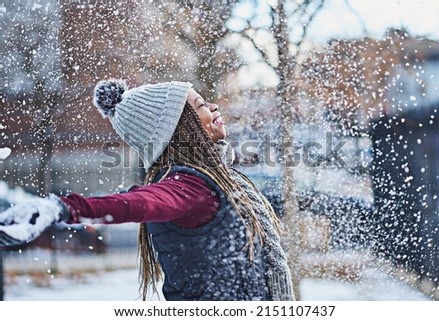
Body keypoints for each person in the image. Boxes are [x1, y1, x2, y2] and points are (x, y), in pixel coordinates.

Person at [0, 79, 295, 301]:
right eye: (201, 105)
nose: (214, 106)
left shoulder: (212, 178)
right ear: (180, 126)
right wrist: (64, 208)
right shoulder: (191, 186)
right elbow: (136, 202)